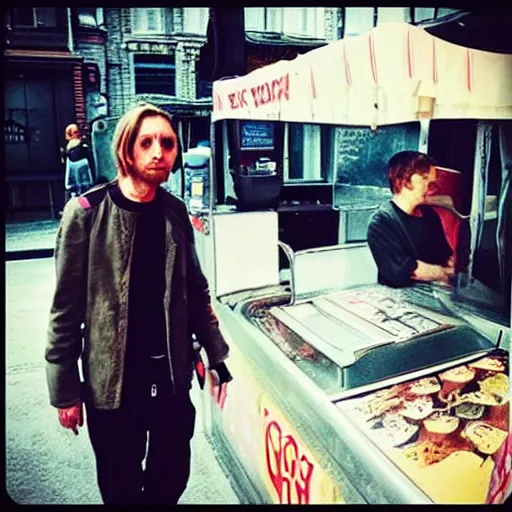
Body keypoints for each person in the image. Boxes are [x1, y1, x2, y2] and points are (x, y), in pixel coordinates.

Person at [45, 103, 232, 505]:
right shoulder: (85, 215)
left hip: (169, 380)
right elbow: (65, 311)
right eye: (146, 142)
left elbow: (195, 291)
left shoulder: (175, 212)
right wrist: (64, 390)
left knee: (170, 481)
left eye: (167, 143)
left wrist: (216, 357)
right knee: (120, 489)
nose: (158, 151)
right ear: (126, 151)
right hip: (113, 389)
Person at [367, 150, 455, 288]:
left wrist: (452, 264)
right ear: (402, 180)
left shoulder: (430, 215)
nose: (431, 187)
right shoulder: (381, 222)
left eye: (432, 181)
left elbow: (444, 255)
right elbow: (403, 271)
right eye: (425, 179)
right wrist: (444, 272)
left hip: (434, 295)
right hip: (398, 301)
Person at [63, 123, 95, 202]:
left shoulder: (80, 144)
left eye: (78, 131)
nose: (78, 134)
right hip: (79, 172)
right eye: (75, 132)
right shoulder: (75, 146)